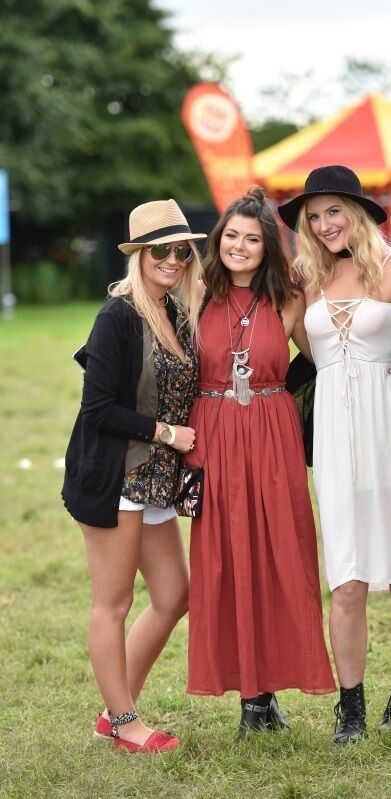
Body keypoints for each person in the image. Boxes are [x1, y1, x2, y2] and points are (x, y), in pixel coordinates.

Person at [278, 166, 391, 745]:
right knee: (346, 576)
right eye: (313, 217)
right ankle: (351, 707)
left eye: (333, 211)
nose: (324, 225)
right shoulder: (303, 278)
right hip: (335, 439)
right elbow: (290, 347)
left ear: (359, 212)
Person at [185, 186, 335, 739]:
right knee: (227, 560)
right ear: (218, 240)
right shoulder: (197, 293)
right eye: (231, 236)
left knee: (279, 555)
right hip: (213, 433)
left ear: (268, 246)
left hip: (273, 434)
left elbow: (327, 357)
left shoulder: (289, 296)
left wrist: (388, 369)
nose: (240, 246)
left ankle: (269, 689)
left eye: (252, 238)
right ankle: (251, 700)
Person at [62, 199, 204, 753]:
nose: (172, 260)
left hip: (155, 483)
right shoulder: (118, 315)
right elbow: (97, 409)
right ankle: (124, 723)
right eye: (160, 250)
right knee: (113, 604)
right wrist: (168, 433)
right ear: (139, 255)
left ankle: (113, 712)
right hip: (115, 477)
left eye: (181, 251)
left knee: (173, 595)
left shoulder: (177, 312)